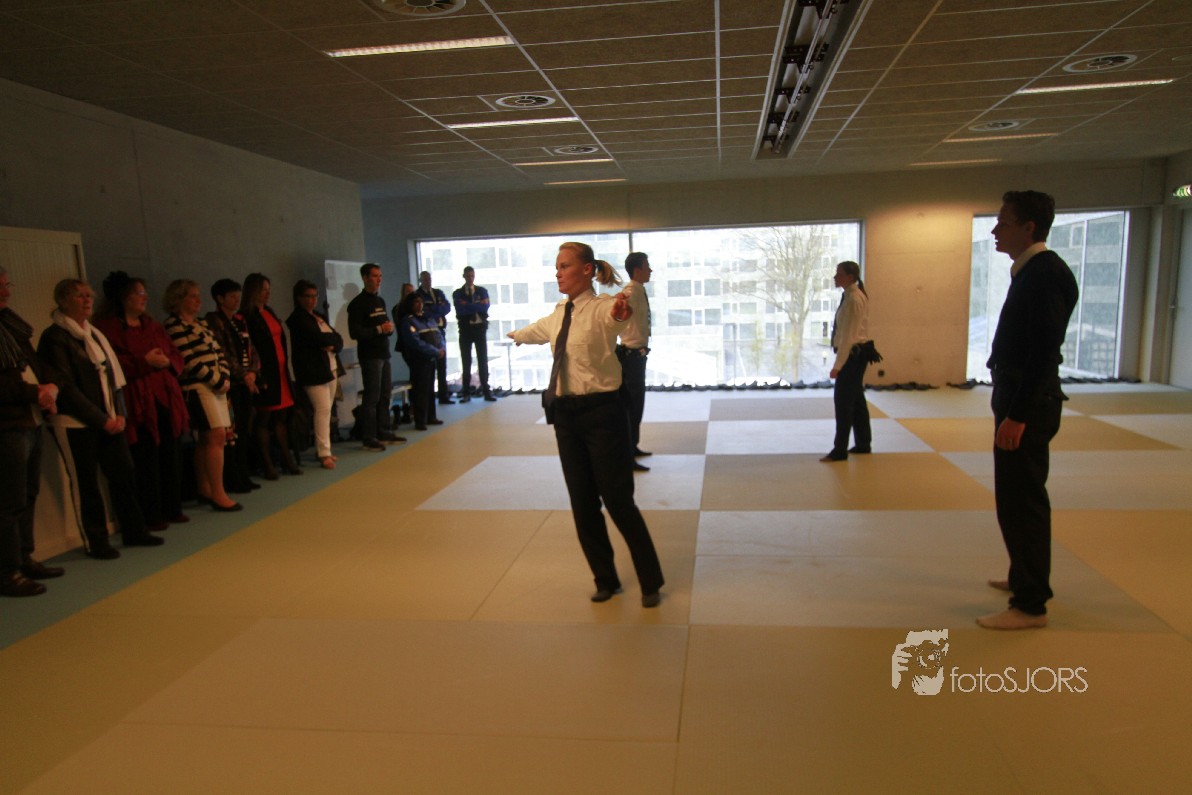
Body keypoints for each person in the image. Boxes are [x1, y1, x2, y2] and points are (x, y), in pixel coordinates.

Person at [508, 242, 664, 608]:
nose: (558, 273)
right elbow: (539, 331)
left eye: (564, 266)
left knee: (618, 501)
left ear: (587, 270)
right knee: (582, 502)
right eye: (557, 267)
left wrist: (622, 312)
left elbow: (616, 317)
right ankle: (604, 578)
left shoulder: (601, 307)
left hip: (603, 415)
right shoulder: (559, 313)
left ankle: (650, 581)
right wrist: (517, 335)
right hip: (566, 417)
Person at [979, 190, 1079, 631]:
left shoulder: (1044, 275)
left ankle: (1030, 603)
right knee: (1014, 499)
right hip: (1017, 397)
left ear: (1028, 227)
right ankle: (1024, 575)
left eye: (1003, 222)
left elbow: (1044, 353)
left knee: (1023, 503)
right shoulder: (1031, 272)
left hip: (1028, 404)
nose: (995, 230)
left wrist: (1017, 415)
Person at [39, 279, 164, 556]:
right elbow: (65, 387)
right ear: (63, 301)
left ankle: (134, 530)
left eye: (89, 295)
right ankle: (96, 541)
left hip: (109, 418)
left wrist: (119, 413)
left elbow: (113, 379)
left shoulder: (94, 334)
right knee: (86, 483)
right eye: (79, 296)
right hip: (75, 422)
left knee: (123, 473)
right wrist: (101, 419)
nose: (87, 300)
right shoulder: (54, 338)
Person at [95, 271, 189, 532]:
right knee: (145, 457)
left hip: (165, 396)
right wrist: (144, 362)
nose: (144, 297)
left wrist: (168, 361)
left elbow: (174, 353)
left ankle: (172, 506)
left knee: (170, 453)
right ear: (124, 297)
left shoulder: (152, 325)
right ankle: (151, 513)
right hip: (137, 399)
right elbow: (109, 365)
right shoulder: (107, 329)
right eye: (139, 293)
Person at [0, 267, 66, 596]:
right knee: (8, 502)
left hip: (31, 420)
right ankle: (7, 571)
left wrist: (50, 386)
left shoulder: (11, 325)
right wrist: (33, 392)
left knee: (27, 495)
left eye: (6, 285)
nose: (6, 292)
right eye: (0, 287)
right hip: (8, 425)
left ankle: (24, 556)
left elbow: (36, 366)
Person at [164, 280, 242, 512]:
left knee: (209, 439)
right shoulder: (174, 325)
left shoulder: (201, 324)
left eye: (198, 295)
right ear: (178, 299)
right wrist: (216, 380)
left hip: (217, 386)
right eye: (192, 296)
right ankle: (218, 492)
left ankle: (205, 488)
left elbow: (219, 352)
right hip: (198, 387)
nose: (198, 300)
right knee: (215, 436)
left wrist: (224, 377)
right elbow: (187, 359)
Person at [241, 273, 300, 478]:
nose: (267, 293)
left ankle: (286, 459)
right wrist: (258, 375)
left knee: (281, 416)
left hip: (280, 371)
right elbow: (251, 348)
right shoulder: (247, 316)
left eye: (268, 289)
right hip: (265, 373)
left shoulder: (269, 312)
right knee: (264, 418)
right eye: (263, 290)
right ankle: (267, 463)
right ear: (253, 291)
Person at [205, 278, 260, 494]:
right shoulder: (214, 321)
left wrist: (253, 372)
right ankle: (232, 477)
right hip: (230, 384)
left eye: (238, 295)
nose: (237, 300)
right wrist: (243, 375)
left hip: (246, 382)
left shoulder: (239, 321)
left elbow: (251, 348)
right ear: (220, 299)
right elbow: (223, 354)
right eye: (232, 296)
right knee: (231, 434)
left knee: (245, 430)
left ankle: (243, 473)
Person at [821, 261, 876, 462]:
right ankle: (863, 443)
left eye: (839, 273)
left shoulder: (854, 299)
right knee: (857, 401)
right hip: (854, 355)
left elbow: (849, 337)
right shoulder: (851, 296)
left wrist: (838, 366)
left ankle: (840, 449)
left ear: (850, 277)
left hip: (853, 356)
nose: (835, 277)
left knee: (843, 402)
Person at [287, 280, 346, 468]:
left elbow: (337, 338)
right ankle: (323, 452)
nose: (313, 300)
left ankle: (325, 448)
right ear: (299, 298)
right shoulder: (297, 319)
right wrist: (328, 341)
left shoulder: (318, 316)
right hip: (312, 370)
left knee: (327, 410)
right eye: (309, 296)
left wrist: (332, 343)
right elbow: (317, 338)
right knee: (322, 409)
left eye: (315, 296)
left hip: (330, 367)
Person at [347, 263, 399, 451]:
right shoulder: (357, 304)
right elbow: (355, 332)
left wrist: (389, 329)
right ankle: (369, 437)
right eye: (375, 276)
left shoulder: (380, 301)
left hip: (384, 353)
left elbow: (384, 326)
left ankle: (383, 430)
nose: (379, 280)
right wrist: (378, 329)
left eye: (380, 276)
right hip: (370, 356)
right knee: (372, 397)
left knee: (385, 394)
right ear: (365, 278)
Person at [617, 252, 652, 472]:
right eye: (647, 266)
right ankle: (627, 454)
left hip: (637, 355)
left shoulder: (638, 290)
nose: (650, 270)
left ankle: (633, 446)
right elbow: (617, 315)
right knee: (632, 407)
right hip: (630, 357)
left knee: (637, 405)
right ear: (637, 270)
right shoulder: (630, 292)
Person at [399, 292, 445, 431]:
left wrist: (442, 348)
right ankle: (420, 420)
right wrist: (435, 351)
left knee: (430, 389)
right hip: (419, 359)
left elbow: (439, 335)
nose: (419, 305)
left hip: (432, 358)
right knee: (420, 390)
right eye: (416, 302)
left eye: (421, 302)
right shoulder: (408, 321)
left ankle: (431, 416)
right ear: (411, 305)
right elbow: (415, 343)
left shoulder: (428, 318)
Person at [452, 266, 496, 403]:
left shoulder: (482, 291)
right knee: (466, 361)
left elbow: (485, 307)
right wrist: (476, 304)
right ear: (464, 276)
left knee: (482, 360)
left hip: (479, 328)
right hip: (465, 330)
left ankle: (486, 391)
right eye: (468, 276)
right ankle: (466, 392)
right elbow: (461, 310)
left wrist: (468, 304)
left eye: (472, 276)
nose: (470, 278)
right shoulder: (458, 293)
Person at [415, 270, 453, 404]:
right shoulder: (418, 295)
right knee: (430, 368)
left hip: (440, 331)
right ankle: (430, 397)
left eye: (429, 279)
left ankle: (444, 395)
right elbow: (425, 312)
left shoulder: (438, 293)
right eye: (425, 279)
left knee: (442, 364)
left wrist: (435, 309)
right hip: (427, 334)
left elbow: (447, 307)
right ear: (421, 280)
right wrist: (438, 310)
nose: (428, 281)